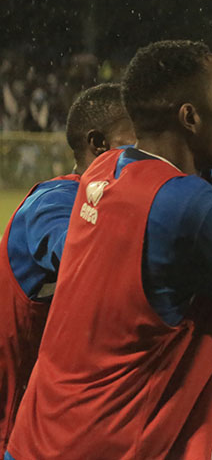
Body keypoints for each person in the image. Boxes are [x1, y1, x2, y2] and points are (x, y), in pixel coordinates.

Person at [5, 40, 212, 460]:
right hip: (107, 442)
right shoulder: (187, 208)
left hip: (42, 431)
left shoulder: (105, 170)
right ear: (189, 116)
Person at [0, 83, 136, 451]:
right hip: (14, 413)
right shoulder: (55, 204)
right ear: (98, 144)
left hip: (42, 408)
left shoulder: (112, 202)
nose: (149, 154)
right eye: (136, 141)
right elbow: (86, 260)